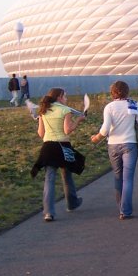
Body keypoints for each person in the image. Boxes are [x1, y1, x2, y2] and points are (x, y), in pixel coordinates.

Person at [91, 81, 138, 220]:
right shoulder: (133, 104)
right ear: (127, 91)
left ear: (113, 92)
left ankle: (120, 206)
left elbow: (105, 129)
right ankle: (125, 210)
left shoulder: (109, 107)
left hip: (113, 144)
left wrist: (96, 138)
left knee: (117, 175)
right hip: (130, 143)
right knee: (128, 179)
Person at [34, 87, 84, 222]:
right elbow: (67, 130)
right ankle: (71, 203)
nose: (66, 99)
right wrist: (78, 121)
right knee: (67, 175)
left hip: (48, 147)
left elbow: (41, 134)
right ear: (60, 97)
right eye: (65, 96)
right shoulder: (65, 110)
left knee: (49, 179)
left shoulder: (43, 111)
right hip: (63, 146)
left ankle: (48, 212)